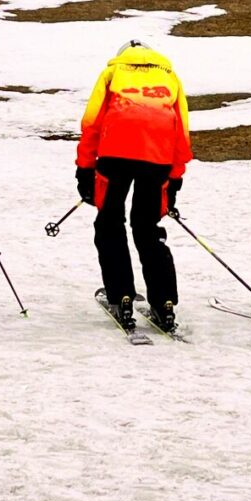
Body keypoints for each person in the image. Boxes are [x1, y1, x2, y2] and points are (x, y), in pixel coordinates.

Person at [76, 39, 193, 332]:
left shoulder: (113, 74)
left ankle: (121, 296)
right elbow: (182, 130)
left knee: (110, 223)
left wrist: (85, 170)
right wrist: (175, 178)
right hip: (158, 156)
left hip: (115, 153)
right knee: (147, 227)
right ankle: (164, 302)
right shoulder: (169, 77)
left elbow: (92, 123)